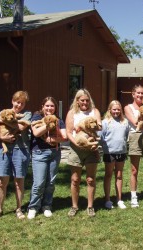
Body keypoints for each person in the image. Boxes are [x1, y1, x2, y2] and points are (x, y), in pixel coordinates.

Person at [27, 97, 67, 219]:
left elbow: (64, 137)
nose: (49, 108)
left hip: (54, 152)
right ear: (43, 106)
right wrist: (48, 123)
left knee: (50, 182)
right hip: (39, 152)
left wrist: (53, 139)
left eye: (52, 106)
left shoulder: (59, 120)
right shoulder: (36, 117)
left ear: (55, 108)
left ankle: (46, 205)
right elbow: (36, 133)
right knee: (39, 183)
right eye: (47, 106)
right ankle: (33, 207)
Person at [66, 88, 101, 217]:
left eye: (87, 100)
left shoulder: (94, 111)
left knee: (90, 179)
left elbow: (99, 126)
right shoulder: (72, 113)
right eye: (82, 100)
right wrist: (77, 144)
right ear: (77, 101)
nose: (85, 103)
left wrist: (93, 139)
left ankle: (90, 206)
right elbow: (69, 132)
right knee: (75, 179)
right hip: (76, 149)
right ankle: (74, 206)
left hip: (91, 149)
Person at [0, 91, 31, 219]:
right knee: (1, 182)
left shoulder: (27, 114)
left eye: (22, 103)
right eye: (17, 102)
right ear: (13, 101)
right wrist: (1, 136)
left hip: (20, 149)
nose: (19, 105)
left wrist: (1, 120)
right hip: (2, 148)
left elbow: (19, 128)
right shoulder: (2, 112)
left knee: (19, 181)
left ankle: (19, 209)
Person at [101, 100, 129, 209]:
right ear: (110, 110)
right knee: (108, 175)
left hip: (121, 152)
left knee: (119, 175)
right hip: (109, 152)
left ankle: (119, 199)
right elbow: (101, 137)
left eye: (118, 109)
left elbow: (125, 136)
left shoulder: (124, 122)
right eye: (114, 109)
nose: (116, 111)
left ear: (121, 110)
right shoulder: (105, 122)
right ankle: (107, 199)